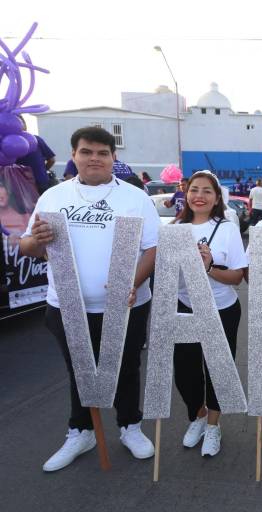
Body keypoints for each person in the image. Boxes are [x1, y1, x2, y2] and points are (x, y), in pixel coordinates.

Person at [20, 126, 160, 472]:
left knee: (127, 367)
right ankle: (80, 432)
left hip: (127, 305)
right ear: (74, 155)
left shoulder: (135, 197)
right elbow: (28, 246)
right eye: (86, 152)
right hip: (66, 305)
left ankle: (130, 427)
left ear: (113, 158)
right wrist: (36, 240)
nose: (94, 158)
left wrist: (133, 281)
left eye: (102, 153)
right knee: (78, 371)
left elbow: (154, 247)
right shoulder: (53, 197)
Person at [172, 170, 247, 457]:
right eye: (194, 190)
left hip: (222, 309)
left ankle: (214, 425)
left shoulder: (226, 228)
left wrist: (208, 267)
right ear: (185, 193)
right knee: (185, 372)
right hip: (184, 307)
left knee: (218, 369)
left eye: (206, 191)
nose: (199, 196)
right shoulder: (174, 228)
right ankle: (199, 416)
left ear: (217, 197)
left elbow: (237, 277)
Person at [16, 115, 56, 194]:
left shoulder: (6, 144)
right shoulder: (36, 139)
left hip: (22, 186)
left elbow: (52, 160)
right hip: (37, 183)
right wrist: (42, 171)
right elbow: (51, 160)